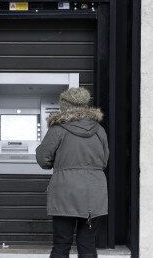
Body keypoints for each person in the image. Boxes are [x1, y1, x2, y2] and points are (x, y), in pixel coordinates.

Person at [36, 87, 109, 258]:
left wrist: (60, 164)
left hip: (65, 192)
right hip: (94, 193)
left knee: (61, 245)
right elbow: (104, 161)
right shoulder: (99, 130)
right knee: (88, 245)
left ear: (64, 106)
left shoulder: (58, 129)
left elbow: (43, 159)